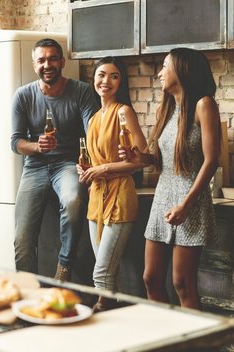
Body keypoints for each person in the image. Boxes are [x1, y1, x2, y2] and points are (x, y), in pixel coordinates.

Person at [122, 48, 220, 310]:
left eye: (165, 66)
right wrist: (138, 158)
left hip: (191, 202)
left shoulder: (204, 105)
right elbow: (159, 160)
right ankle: (168, 341)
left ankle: (195, 349)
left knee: (182, 283)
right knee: (151, 279)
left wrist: (185, 206)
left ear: (182, 69)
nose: (159, 73)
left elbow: (211, 161)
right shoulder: (165, 109)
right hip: (163, 198)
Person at [11, 38, 99, 281]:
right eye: (41, 60)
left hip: (68, 165)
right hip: (35, 166)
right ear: (34, 64)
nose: (47, 64)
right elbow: (16, 142)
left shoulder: (81, 91)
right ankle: (27, 288)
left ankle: (64, 265)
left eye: (52, 59)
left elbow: (93, 133)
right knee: (22, 237)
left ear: (62, 62)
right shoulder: (23, 96)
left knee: (72, 201)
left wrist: (94, 166)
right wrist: (36, 146)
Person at [78, 57, 147, 312]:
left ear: (121, 82)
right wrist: (85, 168)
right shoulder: (95, 117)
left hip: (120, 196)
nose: (106, 81)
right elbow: (92, 158)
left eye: (114, 76)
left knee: (101, 273)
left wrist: (103, 168)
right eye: (101, 75)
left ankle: (102, 314)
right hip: (96, 198)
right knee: (108, 272)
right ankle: (116, 326)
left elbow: (142, 158)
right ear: (94, 79)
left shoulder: (123, 111)